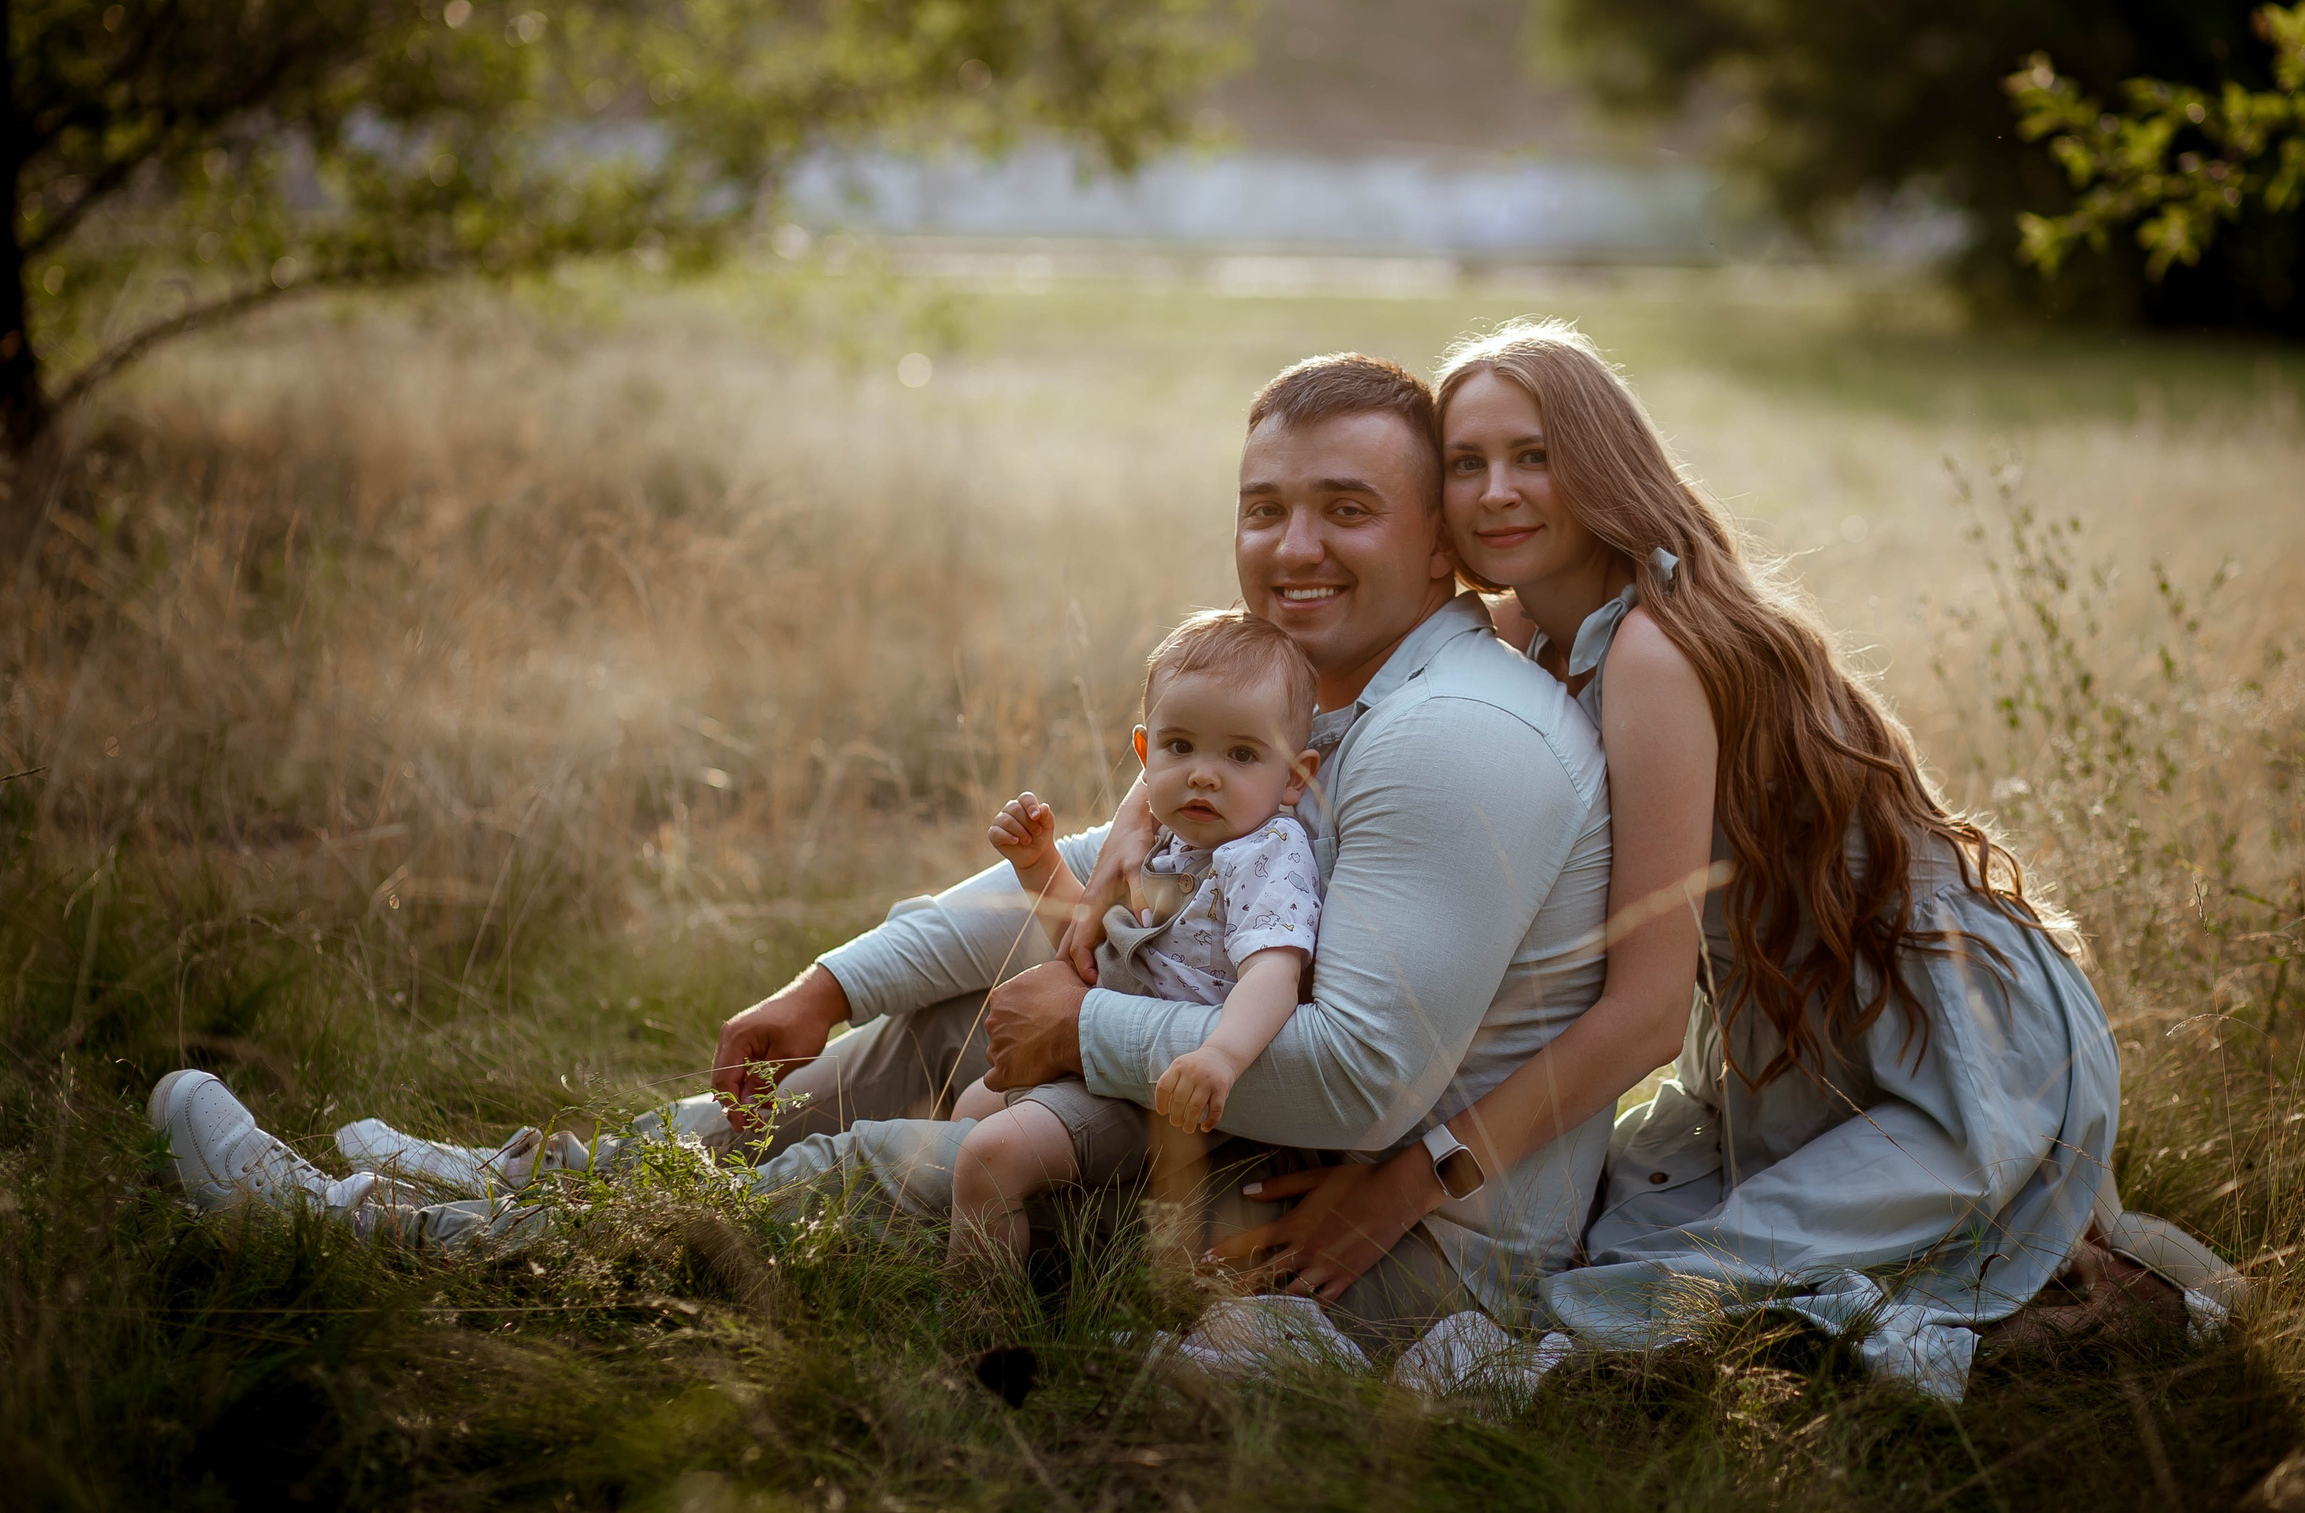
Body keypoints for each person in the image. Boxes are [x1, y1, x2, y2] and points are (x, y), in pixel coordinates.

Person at [156, 352, 1614, 1341]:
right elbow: (1095, 867)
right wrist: (830, 982)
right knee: (924, 1015)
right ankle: (509, 1181)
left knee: (906, 1147)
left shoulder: (1448, 736)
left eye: (1345, 509)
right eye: (1265, 508)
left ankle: (379, 1235)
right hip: (1266, 1154)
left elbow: (1360, 1075)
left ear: (1443, 548)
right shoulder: (1325, 694)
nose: (1292, 545)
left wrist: (1083, 1022)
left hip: (1375, 1255)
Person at [1194, 321, 2234, 1399]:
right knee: (1620, 1232)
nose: (1497, 489)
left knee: (1668, 1280)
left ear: (1603, 464)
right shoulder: (1513, 634)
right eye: (1466, 463)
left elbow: (1644, 1018)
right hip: (1799, 1042)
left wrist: (1407, 1184)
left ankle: (2113, 1306)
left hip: (1950, 1034)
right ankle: (2046, 1255)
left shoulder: (1652, 647)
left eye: (1534, 455)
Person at [948, 610, 1324, 1265]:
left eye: (1240, 753)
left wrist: (1221, 1056)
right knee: (970, 1107)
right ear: (1146, 753)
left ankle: (981, 1338)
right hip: (1112, 1064)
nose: (1204, 774)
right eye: (1181, 747)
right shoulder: (1164, 842)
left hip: (1178, 1092)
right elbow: (1088, 951)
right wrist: (1038, 863)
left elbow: (1275, 975)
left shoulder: (1267, 854)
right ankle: (1009, 1262)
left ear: (1295, 775)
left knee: (992, 1151)